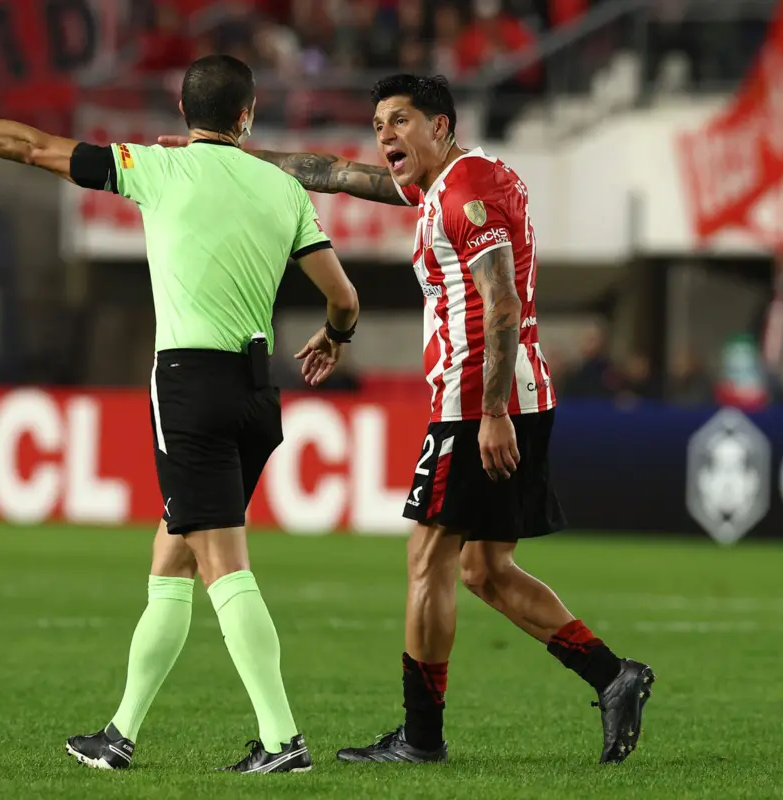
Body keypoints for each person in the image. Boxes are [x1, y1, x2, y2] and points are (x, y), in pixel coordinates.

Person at [0, 54, 360, 775]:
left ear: (183, 115)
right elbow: (342, 297)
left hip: (191, 385)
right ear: (248, 116)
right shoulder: (281, 188)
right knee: (173, 555)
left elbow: (31, 146)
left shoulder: (155, 168)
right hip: (257, 393)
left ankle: (285, 742)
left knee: (221, 562)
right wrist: (335, 338)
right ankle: (119, 734)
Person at [162, 74, 654, 765]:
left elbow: (502, 302)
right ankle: (614, 676)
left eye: (400, 120)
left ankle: (422, 740)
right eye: (379, 124)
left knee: (428, 558)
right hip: (506, 398)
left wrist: (488, 414)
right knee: (484, 569)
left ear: (442, 126)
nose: (385, 135)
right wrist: (225, 155)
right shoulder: (443, 185)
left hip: (479, 403)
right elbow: (331, 174)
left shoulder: (463, 191)